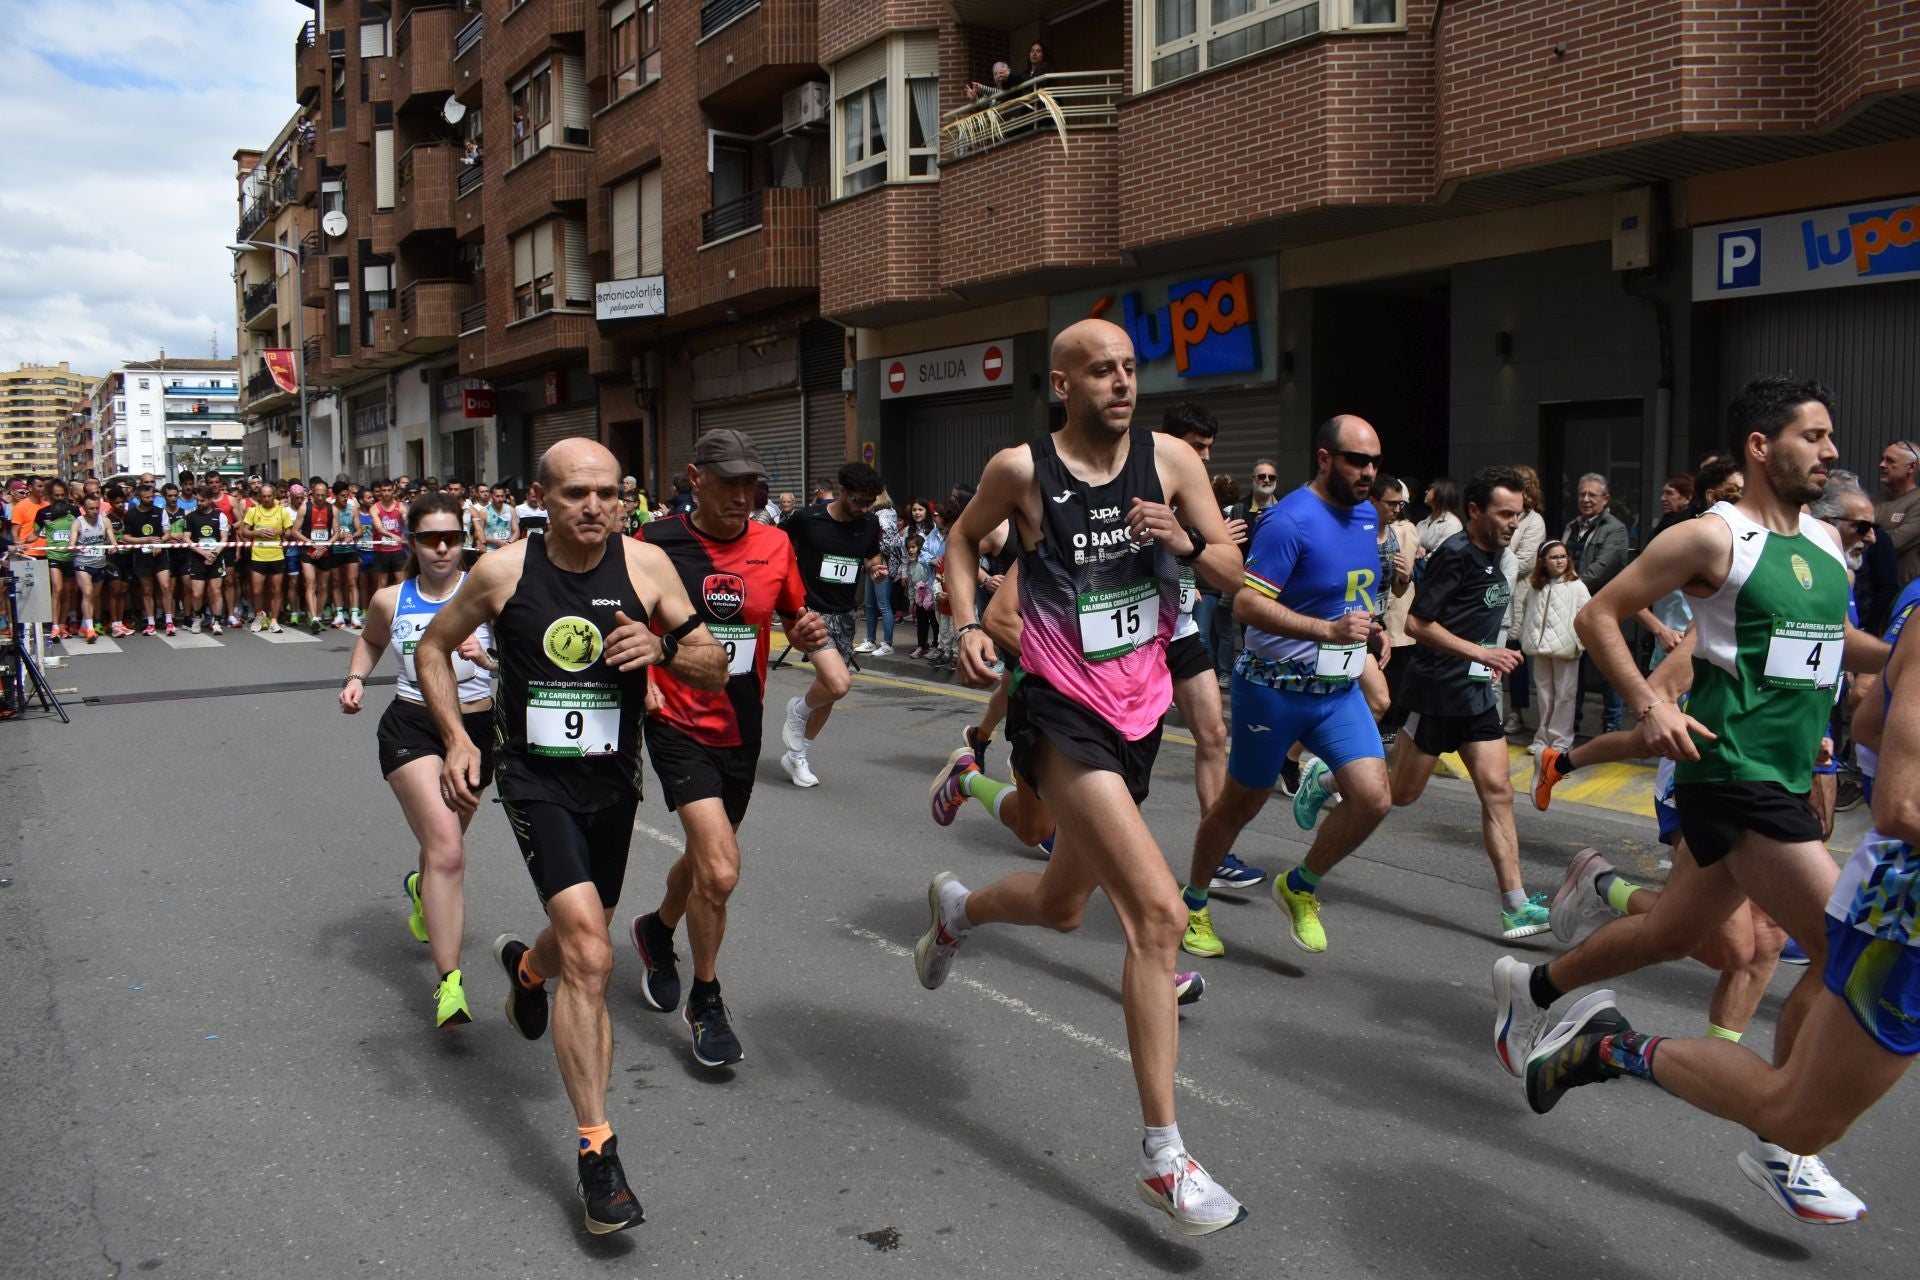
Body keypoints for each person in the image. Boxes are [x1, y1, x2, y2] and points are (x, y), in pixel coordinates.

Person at [1501, 376, 1890, 1225]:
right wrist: (1648, 703)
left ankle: (1529, 991)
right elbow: (1604, 613)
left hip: (1790, 774)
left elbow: (1834, 643)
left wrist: (1896, 658)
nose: (1830, 453)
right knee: (1842, 948)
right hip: (1734, 774)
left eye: (1830, 439)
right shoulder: (1714, 538)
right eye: (1814, 437)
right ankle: (1787, 1145)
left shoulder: (1825, 542)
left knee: (1677, 933)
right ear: (1762, 445)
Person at [912, 317, 1247, 1237]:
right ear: (1062, 384)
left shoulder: (1172, 460)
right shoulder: (1022, 470)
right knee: (1158, 916)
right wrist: (972, 622)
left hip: (1139, 712)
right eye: (1101, 371)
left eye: (1131, 368)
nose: (1122, 384)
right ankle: (1163, 1155)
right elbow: (959, 543)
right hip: (1060, 709)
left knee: (1064, 907)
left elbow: (1228, 569)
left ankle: (959, 911)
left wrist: (1181, 537)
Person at [419, 439, 725, 1236]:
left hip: (612, 784)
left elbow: (713, 661)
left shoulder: (647, 567)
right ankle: (599, 1153)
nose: (596, 506)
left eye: (610, 493)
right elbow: (431, 648)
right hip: (533, 780)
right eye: (577, 494)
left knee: (571, 937)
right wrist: (456, 737)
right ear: (541, 499)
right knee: (592, 952)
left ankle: (526, 970)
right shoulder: (503, 573)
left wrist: (663, 649)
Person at [624, 431, 825, 1067]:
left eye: (752, 484)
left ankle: (657, 930)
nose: (744, 496)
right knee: (720, 869)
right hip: (676, 720)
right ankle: (706, 999)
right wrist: (648, 681)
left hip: (742, 724)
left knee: (709, 861)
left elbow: (794, 613)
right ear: (694, 478)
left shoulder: (776, 543)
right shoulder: (652, 545)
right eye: (729, 482)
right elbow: (618, 617)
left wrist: (807, 626)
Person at [1183, 415, 1393, 959]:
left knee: (1373, 799)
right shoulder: (1288, 521)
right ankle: (1195, 901)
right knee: (1238, 806)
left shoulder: (1368, 515)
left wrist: (1373, 628)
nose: (1368, 472)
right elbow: (1248, 607)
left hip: (1337, 691)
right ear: (1325, 458)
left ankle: (1299, 885)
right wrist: (1327, 630)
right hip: (1274, 693)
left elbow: (1350, 591)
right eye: (1355, 460)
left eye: (1373, 461)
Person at [339, 494, 496, 1029]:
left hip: (477, 731)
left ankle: (419, 886)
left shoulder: (490, 594)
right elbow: (370, 640)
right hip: (413, 726)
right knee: (448, 851)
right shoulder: (392, 599)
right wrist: (357, 678)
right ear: (413, 543)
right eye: (430, 538)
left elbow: (521, 664)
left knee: (444, 845)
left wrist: (486, 658)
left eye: (452, 536)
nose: (443, 547)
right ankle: (449, 986)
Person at [1386, 466, 1553, 939]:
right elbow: (1419, 624)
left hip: (1477, 695)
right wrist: (1482, 652)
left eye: (1517, 515)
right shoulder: (1455, 555)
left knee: (1498, 791)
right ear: (1475, 511)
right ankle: (1328, 774)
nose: (1512, 524)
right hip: (1435, 693)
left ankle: (1515, 904)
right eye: (1504, 514)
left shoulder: (1498, 557)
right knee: (1401, 794)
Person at [776, 462, 884, 787]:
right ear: (842, 492)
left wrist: (876, 568)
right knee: (838, 683)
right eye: (859, 501)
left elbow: (872, 555)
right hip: (811, 613)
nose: (864, 508)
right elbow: (774, 547)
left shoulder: (869, 524)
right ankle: (797, 711)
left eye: (869, 503)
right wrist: (788, 595)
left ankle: (797, 757)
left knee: (831, 692)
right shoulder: (808, 519)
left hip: (845, 615)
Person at [1564, 472, 1631, 733]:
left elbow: (1602, 568)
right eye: (1582, 494)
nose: (1586, 499)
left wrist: (1568, 586)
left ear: (1605, 499)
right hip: (1573, 605)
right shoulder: (1572, 526)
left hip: (1603, 607)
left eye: (1592, 494)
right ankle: (1573, 721)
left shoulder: (1615, 529)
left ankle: (1612, 723)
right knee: (1574, 665)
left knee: (1608, 666)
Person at [1517, 540, 1589, 755]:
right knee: (1544, 694)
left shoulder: (1577, 585)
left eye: (1563, 556)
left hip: (1566, 648)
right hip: (1540, 648)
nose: (1560, 561)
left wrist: (1579, 642)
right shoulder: (1535, 587)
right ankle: (1542, 737)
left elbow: (1587, 615)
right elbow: (1526, 611)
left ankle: (1561, 741)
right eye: (1554, 557)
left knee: (1565, 694)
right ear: (1543, 561)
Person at [1501, 465, 1548, 736]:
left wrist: (1495, 562)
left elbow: (1526, 561)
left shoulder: (1534, 521)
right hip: (1496, 591)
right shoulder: (1507, 516)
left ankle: (1517, 712)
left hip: (1517, 595)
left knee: (1515, 657)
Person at [123, 479, 175, 636]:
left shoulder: (160, 511)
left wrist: (160, 541)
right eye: (147, 497)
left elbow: (168, 533)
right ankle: (150, 622)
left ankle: (169, 621)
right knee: (147, 590)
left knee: (165, 586)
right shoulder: (131, 515)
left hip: (160, 556)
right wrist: (144, 540)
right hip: (142, 557)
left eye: (152, 496)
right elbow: (126, 538)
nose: (150, 500)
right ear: (139, 498)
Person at [242, 482, 295, 632]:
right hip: (258, 555)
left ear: (274, 496)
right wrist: (256, 533)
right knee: (257, 590)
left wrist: (279, 532)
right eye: (263, 496)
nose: (266, 499)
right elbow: (244, 531)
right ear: (259, 497)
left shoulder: (282, 511)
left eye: (269, 496)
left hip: (276, 555)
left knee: (276, 589)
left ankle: (274, 620)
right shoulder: (253, 511)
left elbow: (289, 532)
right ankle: (259, 615)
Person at [855, 491, 901, 656]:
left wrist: (870, 552)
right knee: (870, 605)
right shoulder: (877, 514)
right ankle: (870, 640)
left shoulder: (885, 515)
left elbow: (887, 544)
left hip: (882, 565)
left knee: (883, 605)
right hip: (872, 564)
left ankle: (887, 644)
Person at [181, 484, 229, 636]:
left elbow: (224, 538)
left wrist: (213, 554)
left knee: (216, 591)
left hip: (215, 558)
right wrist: (202, 553)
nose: (199, 503)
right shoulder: (190, 517)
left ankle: (216, 621)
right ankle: (197, 617)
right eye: (197, 500)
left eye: (202, 500)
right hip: (197, 559)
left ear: (209, 499)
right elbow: (186, 538)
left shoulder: (220, 516)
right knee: (196, 593)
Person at [68, 491, 115, 642]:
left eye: (97, 508)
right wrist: (75, 547)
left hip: (99, 563)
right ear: (84, 508)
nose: (95, 512)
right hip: (82, 563)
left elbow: (112, 540)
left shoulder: (105, 521)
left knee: (94, 596)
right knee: (87, 593)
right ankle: (90, 629)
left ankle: (84, 625)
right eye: (91, 509)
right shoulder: (78, 523)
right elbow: (72, 544)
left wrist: (113, 546)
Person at [1876, 438, 1919, 585]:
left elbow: (1894, 542)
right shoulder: (1873, 500)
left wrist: (1865, 536)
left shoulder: (1917, 501)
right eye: (1882, 459)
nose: (1881, 465)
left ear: (1911, 467)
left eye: (1890, 461)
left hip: (1904, 594)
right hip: (1871, 593)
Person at [1414, 477, 1462, 561]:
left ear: (1441, 492)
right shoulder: (1422, 523)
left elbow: (1440, 557)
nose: (1426, 491)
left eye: (1430, 489)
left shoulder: (1452, 524)